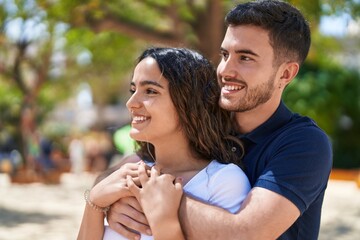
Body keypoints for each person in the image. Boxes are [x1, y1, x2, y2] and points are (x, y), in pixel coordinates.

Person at [104, 1, 333, 239]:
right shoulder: (206, 117)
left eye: (245, 58)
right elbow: (130, 166)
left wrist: (147, 197)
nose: (225, 70)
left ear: (285, 74)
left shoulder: (304, 143)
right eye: (225, 54)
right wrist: (108, 198)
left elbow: (245, 234)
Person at [77, 47, 251, 240]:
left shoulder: (223, 182)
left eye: (150, 91)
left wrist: (164, 222)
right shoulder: (129, 170)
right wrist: (94, 204)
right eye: (133, 90)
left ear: (189, 103)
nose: (131, 103)